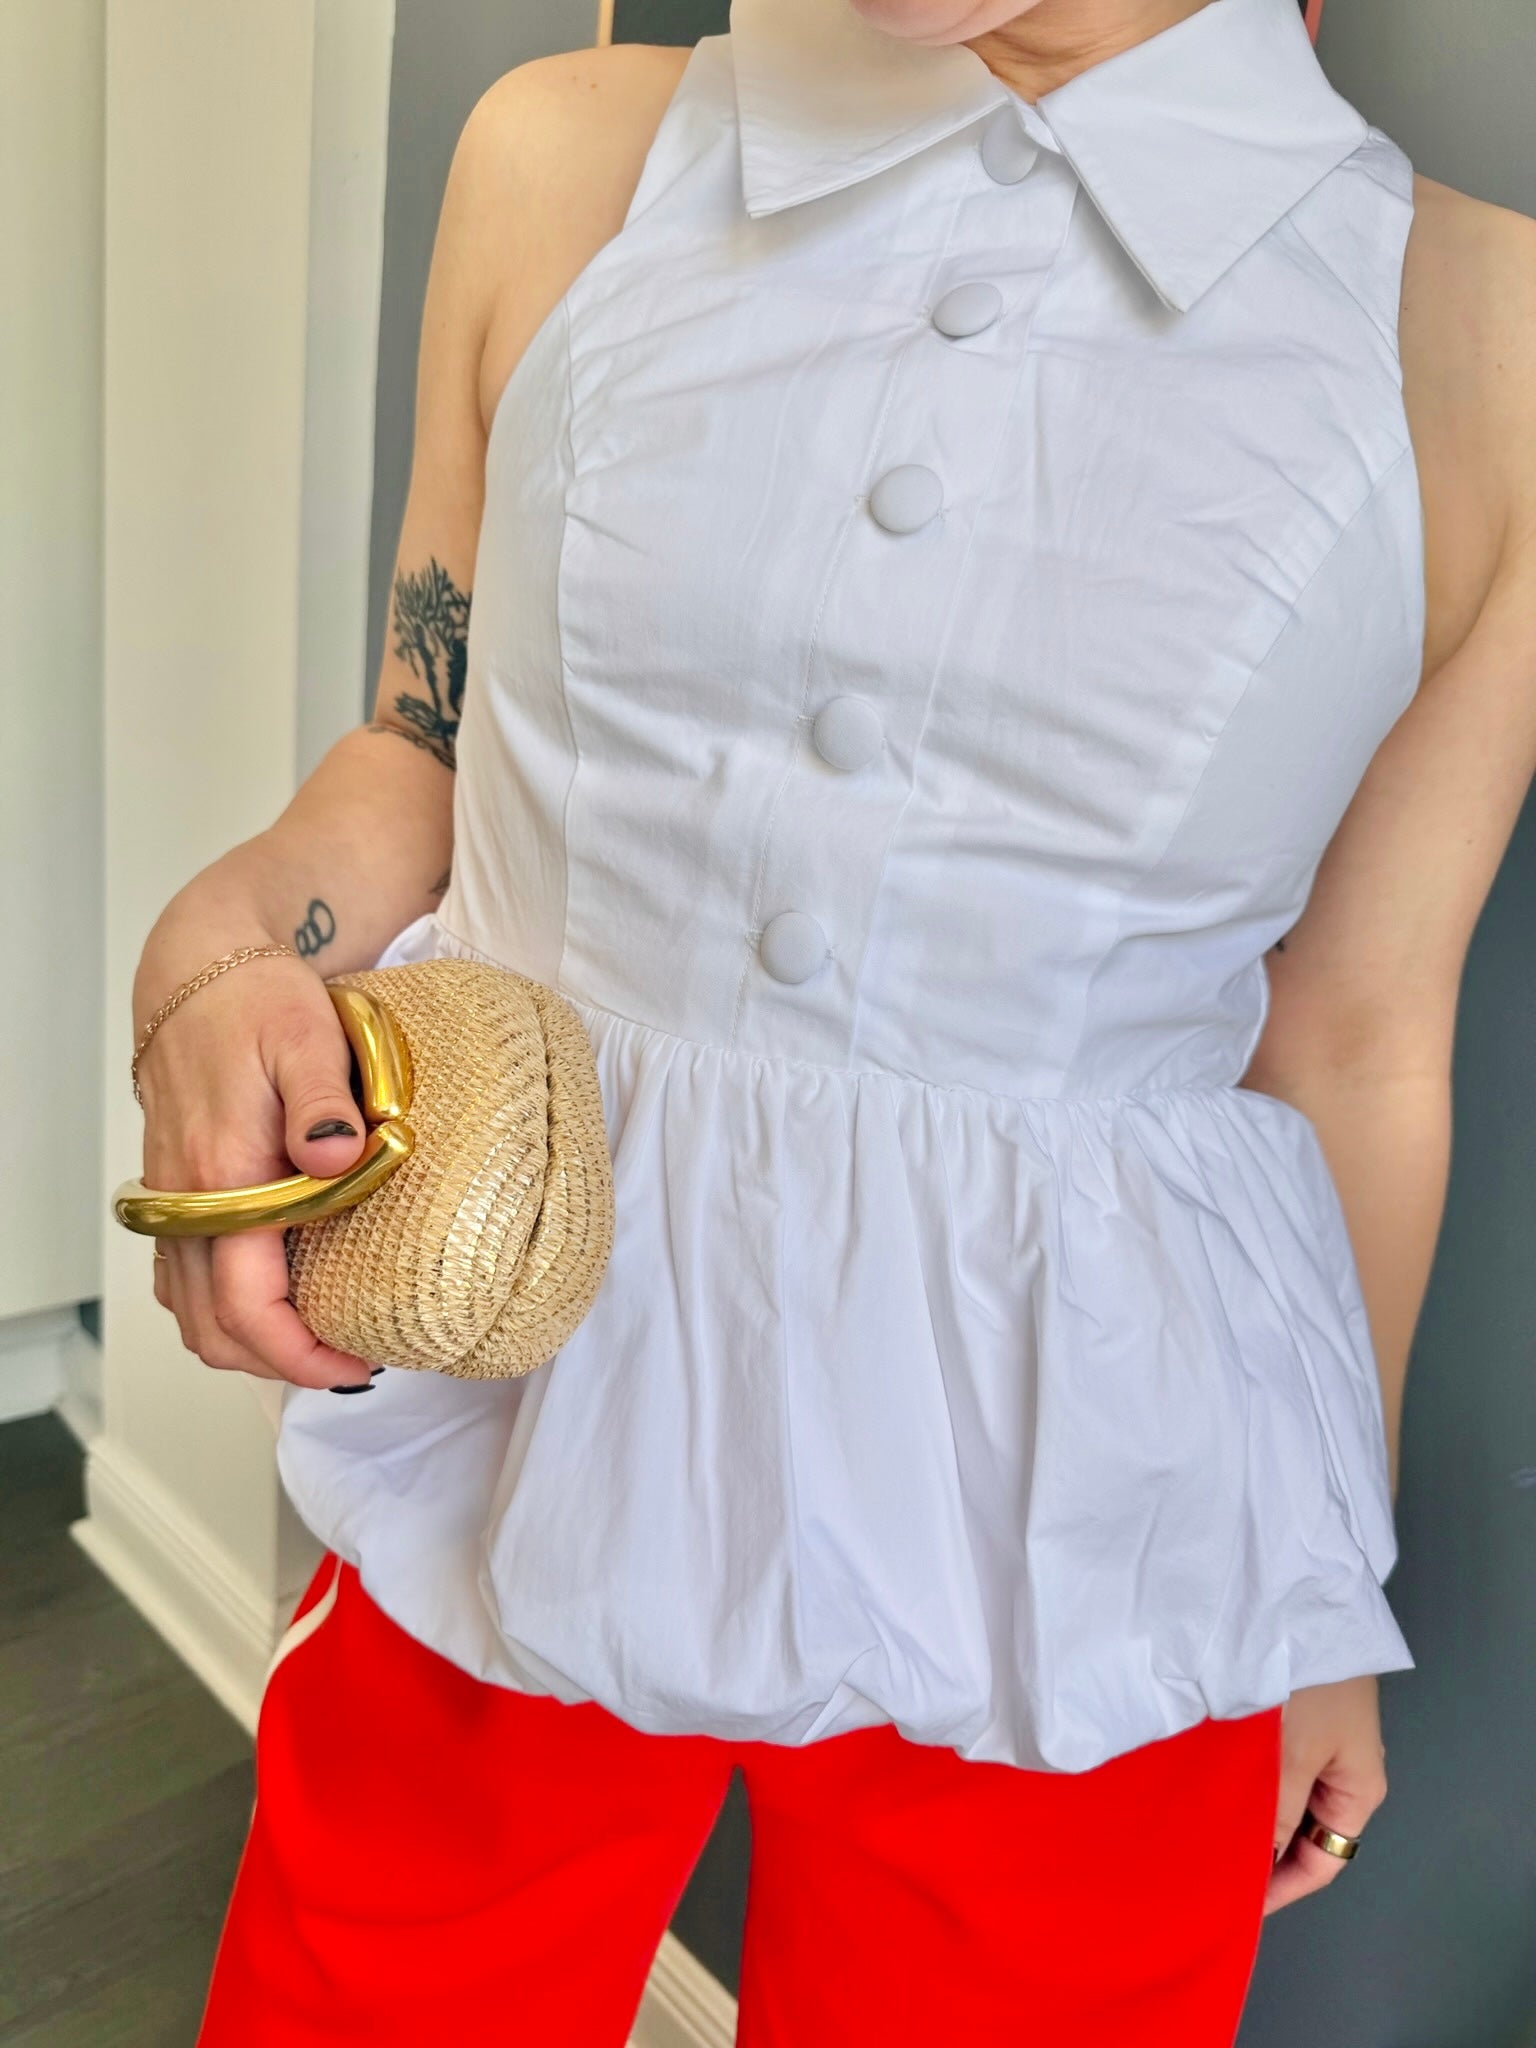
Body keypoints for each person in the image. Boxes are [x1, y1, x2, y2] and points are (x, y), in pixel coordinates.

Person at [130, 0, 1536, 2041]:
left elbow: (1359, 1043)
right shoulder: (565, 155)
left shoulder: (1482, 334)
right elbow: (416, 752)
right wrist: (215, 941)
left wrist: (1322, 1595)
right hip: (508, 1393)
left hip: (1095, 1514)